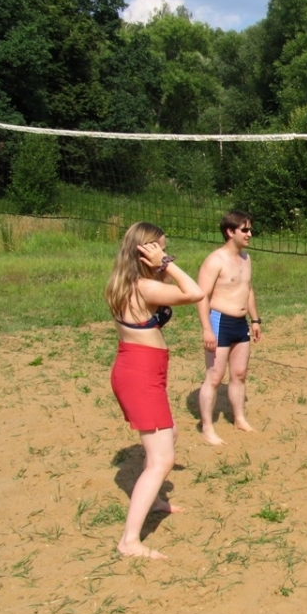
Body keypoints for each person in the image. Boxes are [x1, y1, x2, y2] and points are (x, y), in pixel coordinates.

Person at [105, 222, 205, 559]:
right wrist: (167, 264)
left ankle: (154, 500)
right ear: (145, 251)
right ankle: (129, 541)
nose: (165, 252)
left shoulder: (126, 282)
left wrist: (159, 266)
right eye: (160, 247)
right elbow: (194, 292)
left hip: (141, 371)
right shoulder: (144, 287)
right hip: (140, 376)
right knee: (162, 459)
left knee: (169, 434)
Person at [196, 210, 263, 446]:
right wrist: (206, 329)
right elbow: (201, 296)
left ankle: (239, 419)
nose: (250, 234)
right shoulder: (215, 260)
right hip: (220, 321)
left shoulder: (246, 258)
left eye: (250, 229)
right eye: (245, 230)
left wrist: (255, 320)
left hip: (240, 323)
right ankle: (207, 427)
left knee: (239, 374)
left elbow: (248, 289)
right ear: (230, 231)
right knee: (215, 377)